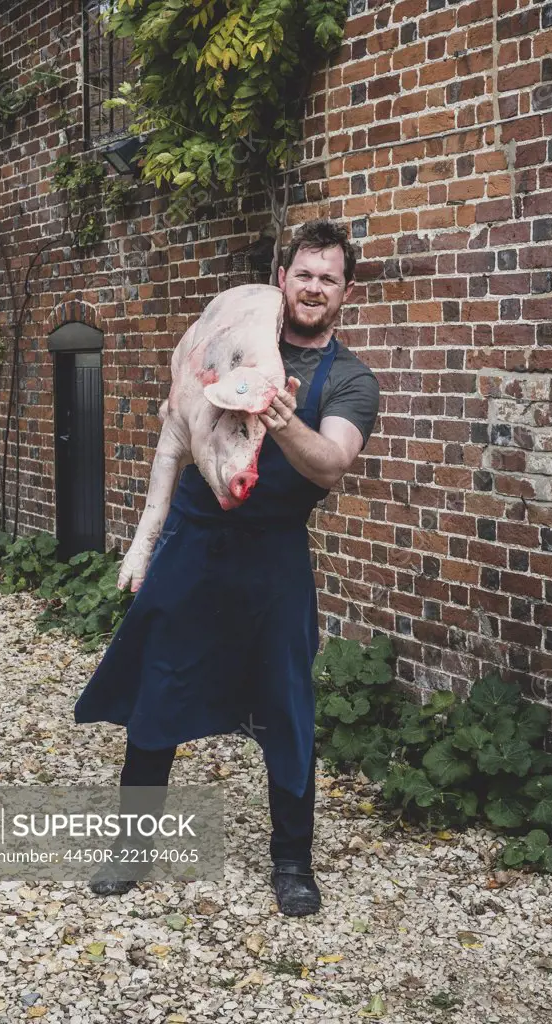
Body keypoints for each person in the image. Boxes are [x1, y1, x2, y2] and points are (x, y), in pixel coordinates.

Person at [74, 218, 380, 916]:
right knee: (159, 687)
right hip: (195, 535)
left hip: (273, 552)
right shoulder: (238, 337)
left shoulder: (352, 381)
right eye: (303, 273)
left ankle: (292, 865)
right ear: (283, 280)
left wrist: (279, 418)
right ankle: (131, 849)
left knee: (287, 704)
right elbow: (176, 426)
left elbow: (330, 465)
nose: (313, 287)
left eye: (327, 278)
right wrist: (147, 535)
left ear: (345, 292)